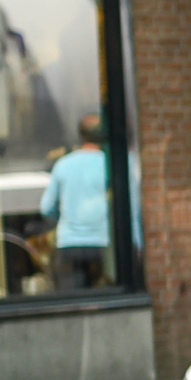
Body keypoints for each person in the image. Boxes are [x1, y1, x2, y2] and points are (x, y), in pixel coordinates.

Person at [40, 113, 112, 291]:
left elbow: (46, 208)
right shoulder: (111, 165)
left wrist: (65, 216)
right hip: (101, 244)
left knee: (72, 304)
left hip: (69, 244)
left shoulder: (63, 164)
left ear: (81, 135)